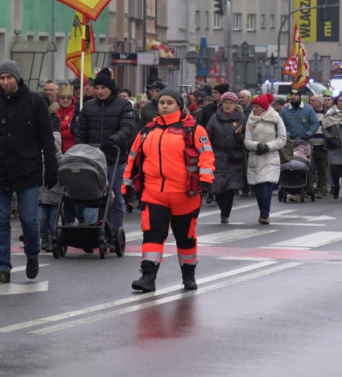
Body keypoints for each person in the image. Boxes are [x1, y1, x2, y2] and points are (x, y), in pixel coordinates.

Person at [0, 60, 58, 284]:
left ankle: (33, 253)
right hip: (0, 170)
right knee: (0, 221)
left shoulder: (35, 102)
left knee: (30, 221)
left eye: (8, 77)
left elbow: (47, 139)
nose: (5, 82)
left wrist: (52, 168)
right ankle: (3, 267)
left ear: (17, 78)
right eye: (1, 78)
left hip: (28, 170)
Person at [124, 87, 214, 293]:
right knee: (152, 235)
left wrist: (206, 179)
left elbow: (206, 156)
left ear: (179, 106)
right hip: (154, 193)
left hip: (185, 194)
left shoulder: (193, 130)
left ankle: (188, 275)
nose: (164, 106)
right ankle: (147, 277)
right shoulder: (147, 130)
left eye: (169, 103)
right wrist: (126, 186)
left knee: (185, 238)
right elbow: (133, 158)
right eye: (161, 102)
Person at [73, 68, 138, 240]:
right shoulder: (88, 106)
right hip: (93, 160)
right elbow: (81, 131)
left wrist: (113, 140)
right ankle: (91, 232)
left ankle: (115, 232)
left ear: (111, 89)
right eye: (97, 88)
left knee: (115, 196)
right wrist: (80, 149)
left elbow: (129, 128)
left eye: (104, 88)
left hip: (115, 158)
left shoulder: (124, 105)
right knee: (91, 196)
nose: (100, 91)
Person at [243, 93, 286, 224]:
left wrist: (268, 146)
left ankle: (265, 214)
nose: (254, 109)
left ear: (264, 108)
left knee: (266, 185)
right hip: (255, 158)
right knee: (258, 188)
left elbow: (282, 139)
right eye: (253, 106)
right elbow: (247, 140)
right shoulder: (250, 121)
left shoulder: (276, 119)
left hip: (270, 157)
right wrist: (256, 146)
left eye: (257, 107)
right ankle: (262, 209)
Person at [206, 91, 246, 224]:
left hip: (233, 158)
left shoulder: (241, 119)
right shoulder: (214, 118)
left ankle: (225, 214)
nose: (228, 105)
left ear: (235, 105)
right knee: (217, 188)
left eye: (231, 103)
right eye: (225, 103)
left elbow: (247, 137)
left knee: (229, 188)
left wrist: (241, 139)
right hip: (216, 157)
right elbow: (207, 136)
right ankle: (222, 207)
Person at [307, 94, 330, 197]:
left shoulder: (327, 114)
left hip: (323, 146)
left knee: (323, 169)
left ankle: (321, 189)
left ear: (319, 102)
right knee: (309, 168)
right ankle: (309, 189)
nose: (310, 102)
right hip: (310, 146)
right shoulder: (308, 113)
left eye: (313, 100)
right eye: (310, 100)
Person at [56, 84, 78, 152]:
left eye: (68, 98)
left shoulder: (76, 111)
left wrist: (58, 134)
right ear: (58, 98)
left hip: (71, 150)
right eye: (62, 98)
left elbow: (73, 132)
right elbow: (51, 128)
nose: (65, 100)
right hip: (56, 150)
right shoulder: (53, 110)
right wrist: (67, 124)